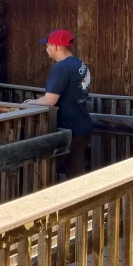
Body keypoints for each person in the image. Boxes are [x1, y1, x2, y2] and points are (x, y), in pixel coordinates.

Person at [23, 30, 93, 179]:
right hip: (83, 123)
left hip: (67, 128)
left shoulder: (61, 68)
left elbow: (50, 100)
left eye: (47, 45)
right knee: (76, 171)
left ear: (55, 46)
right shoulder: (80, 64)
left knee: (46, 170)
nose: (46, 49)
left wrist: (30, 103)